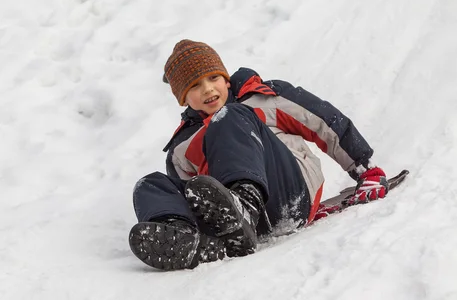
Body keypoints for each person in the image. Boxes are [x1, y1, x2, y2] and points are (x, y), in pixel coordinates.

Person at [129, 39, 388, 270]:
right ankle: (186, 238)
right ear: (183, 99)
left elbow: (326, 122)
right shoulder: (181, 147)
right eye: (195, 86)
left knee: (230, 117)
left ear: (226, 78)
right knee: (150, 184)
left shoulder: (262, 98)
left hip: (289, 194)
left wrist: (366, 169)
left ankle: (246, 203)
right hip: (237, 228)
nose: (207, 89)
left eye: (213, 78)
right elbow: (192, 195)